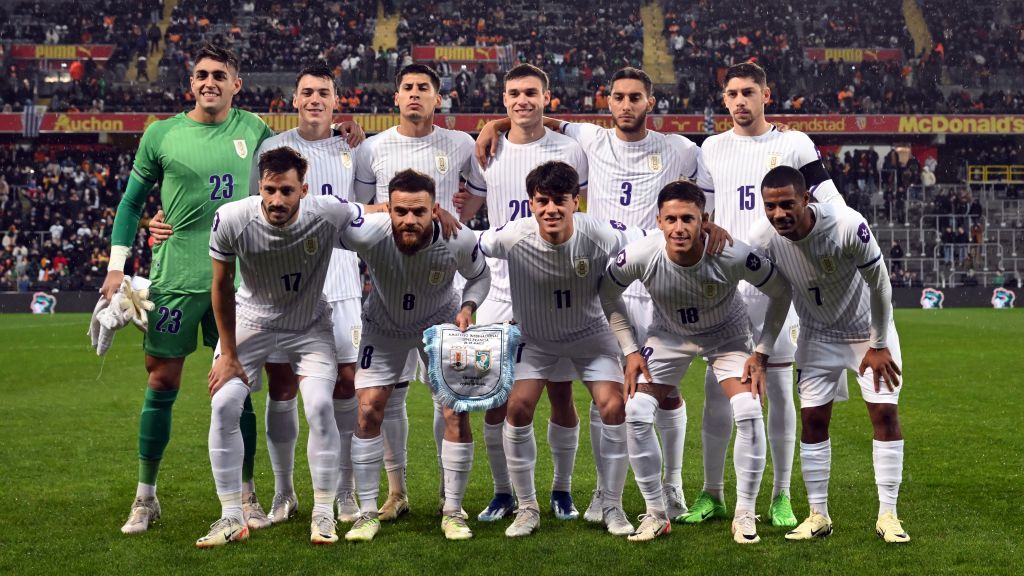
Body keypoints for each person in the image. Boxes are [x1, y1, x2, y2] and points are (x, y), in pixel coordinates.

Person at [473, 65, 707, 523]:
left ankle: (672, 486)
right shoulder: (590, 139)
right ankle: (599, 496)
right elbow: (536, 115)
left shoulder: (681, 149)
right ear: (608, 102)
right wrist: (495, 123)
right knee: (583, 400)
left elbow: (700, 197)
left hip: (649, 281)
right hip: (601, 288)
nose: (625, 105)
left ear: (650, 103)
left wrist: (698, 235)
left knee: (663, 393)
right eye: (617, 97)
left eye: (634, 97)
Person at [103, 44, 277, 536]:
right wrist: (118, 267)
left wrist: (346, 130)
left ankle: (246, 496)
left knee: (237, 386)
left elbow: (303, 159)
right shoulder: (162, 134)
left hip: (240, 278)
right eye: (201, 74)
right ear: (191, 82)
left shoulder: (255, 130)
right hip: (177, 275)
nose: (209, 82)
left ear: (235, 84)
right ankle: (146, 497)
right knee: (161, 382)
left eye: (219, 75)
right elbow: (132, 202)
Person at [688, 61, 846, 528]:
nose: (740, 101)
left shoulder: (793, 144)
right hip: (722, 284)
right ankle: (712, 493)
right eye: (732, 93)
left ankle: (780, 496)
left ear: (766, 95)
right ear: (724, 99)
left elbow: (828, 200)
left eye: (748, 92)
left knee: (778, 389)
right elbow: (701, 210)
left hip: (779, 283)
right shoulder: (711, 148)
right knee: (717, 393)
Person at [199, 146, 374, 547]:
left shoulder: (327, 211)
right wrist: (227, 353)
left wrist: (427, 210)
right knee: (223, 404)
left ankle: (324, 513)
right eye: (270, 189)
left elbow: (376, 215)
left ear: (303, 189)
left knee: (319, 404)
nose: (277, 200)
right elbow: (222, 285)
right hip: (250, 323)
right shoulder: (232, 218)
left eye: (287, 191)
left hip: (309, 325)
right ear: (260, 186)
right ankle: (230, 516)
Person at [599, 180, 791, 543]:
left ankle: (745, 514)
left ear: (704, 220)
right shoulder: (642, 254)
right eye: (670, 219)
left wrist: (761, 351)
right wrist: (630, 349)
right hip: (668, 337)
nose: (679, 227)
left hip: (727, 337)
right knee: (637, 412)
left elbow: (781, 290)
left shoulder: (732, 253)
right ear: (658, 220)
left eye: (688, 218)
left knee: (749, 411)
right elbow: (608, 292)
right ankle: (657, 513)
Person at [455, 63, 591, 523]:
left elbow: (579, 209)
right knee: (496, 398)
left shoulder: (570, 149)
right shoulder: (487, 150)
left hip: (556, 284)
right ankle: (503, 493)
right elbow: (472, 205)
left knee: (560, 394)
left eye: (531, 92)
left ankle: (562, 490)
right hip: (498, 285)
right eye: (513, 93)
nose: (522, 101)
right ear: (504, 99)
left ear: (546, 97)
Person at [352, 63, 484, 521]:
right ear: (395, 97)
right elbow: (357, 208)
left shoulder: (461, 143)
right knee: (385, 399)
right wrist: (394, 213)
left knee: (448, 402)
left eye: (423, 88)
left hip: (439, 281)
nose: (414, 95)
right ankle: (395, 492)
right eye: (406, 87)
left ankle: (452, 503)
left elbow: (479, 191)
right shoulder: (372, 148)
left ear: (438, 97)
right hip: (391, 282)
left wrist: (454, 221)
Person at [478, 161, 635, 538]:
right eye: (542, 201)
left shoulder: (599, 235)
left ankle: (612, 503)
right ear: (531, 203)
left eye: (560, 201)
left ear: (575, 202)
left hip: (590, 336)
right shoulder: (513, 235)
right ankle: (527, 507)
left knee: (614, 407)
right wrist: (441, 223)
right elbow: (469, 243)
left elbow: (648, 238)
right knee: (516, 406)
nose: (551, 209)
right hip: (536, 339)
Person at [759, 165, 909, 544]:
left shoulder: (846, 224)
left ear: (806, 199)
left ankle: (888, 515)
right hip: (817, 335)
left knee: (885, 413)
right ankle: (818, 514)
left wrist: (877, 344)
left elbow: (881, 285)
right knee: (812, 421)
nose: (779, 214)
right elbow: (740, 264)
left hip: (867, 335)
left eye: (787, 204)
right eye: (770, 206)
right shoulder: (767, 238)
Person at [339, 169, 490, 542]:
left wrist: (469, 307)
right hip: (384, 325)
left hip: (440, 325)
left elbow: (481, 276)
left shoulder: (457, 239)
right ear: (388, 209)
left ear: (434, 210)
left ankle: (452, 510)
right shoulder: (367, 233)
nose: (410, 220)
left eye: (419, 212)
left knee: (455, 410)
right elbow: (326, 220)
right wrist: (367, 210)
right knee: (370, 407)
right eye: (401, 211)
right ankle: (369, 511)